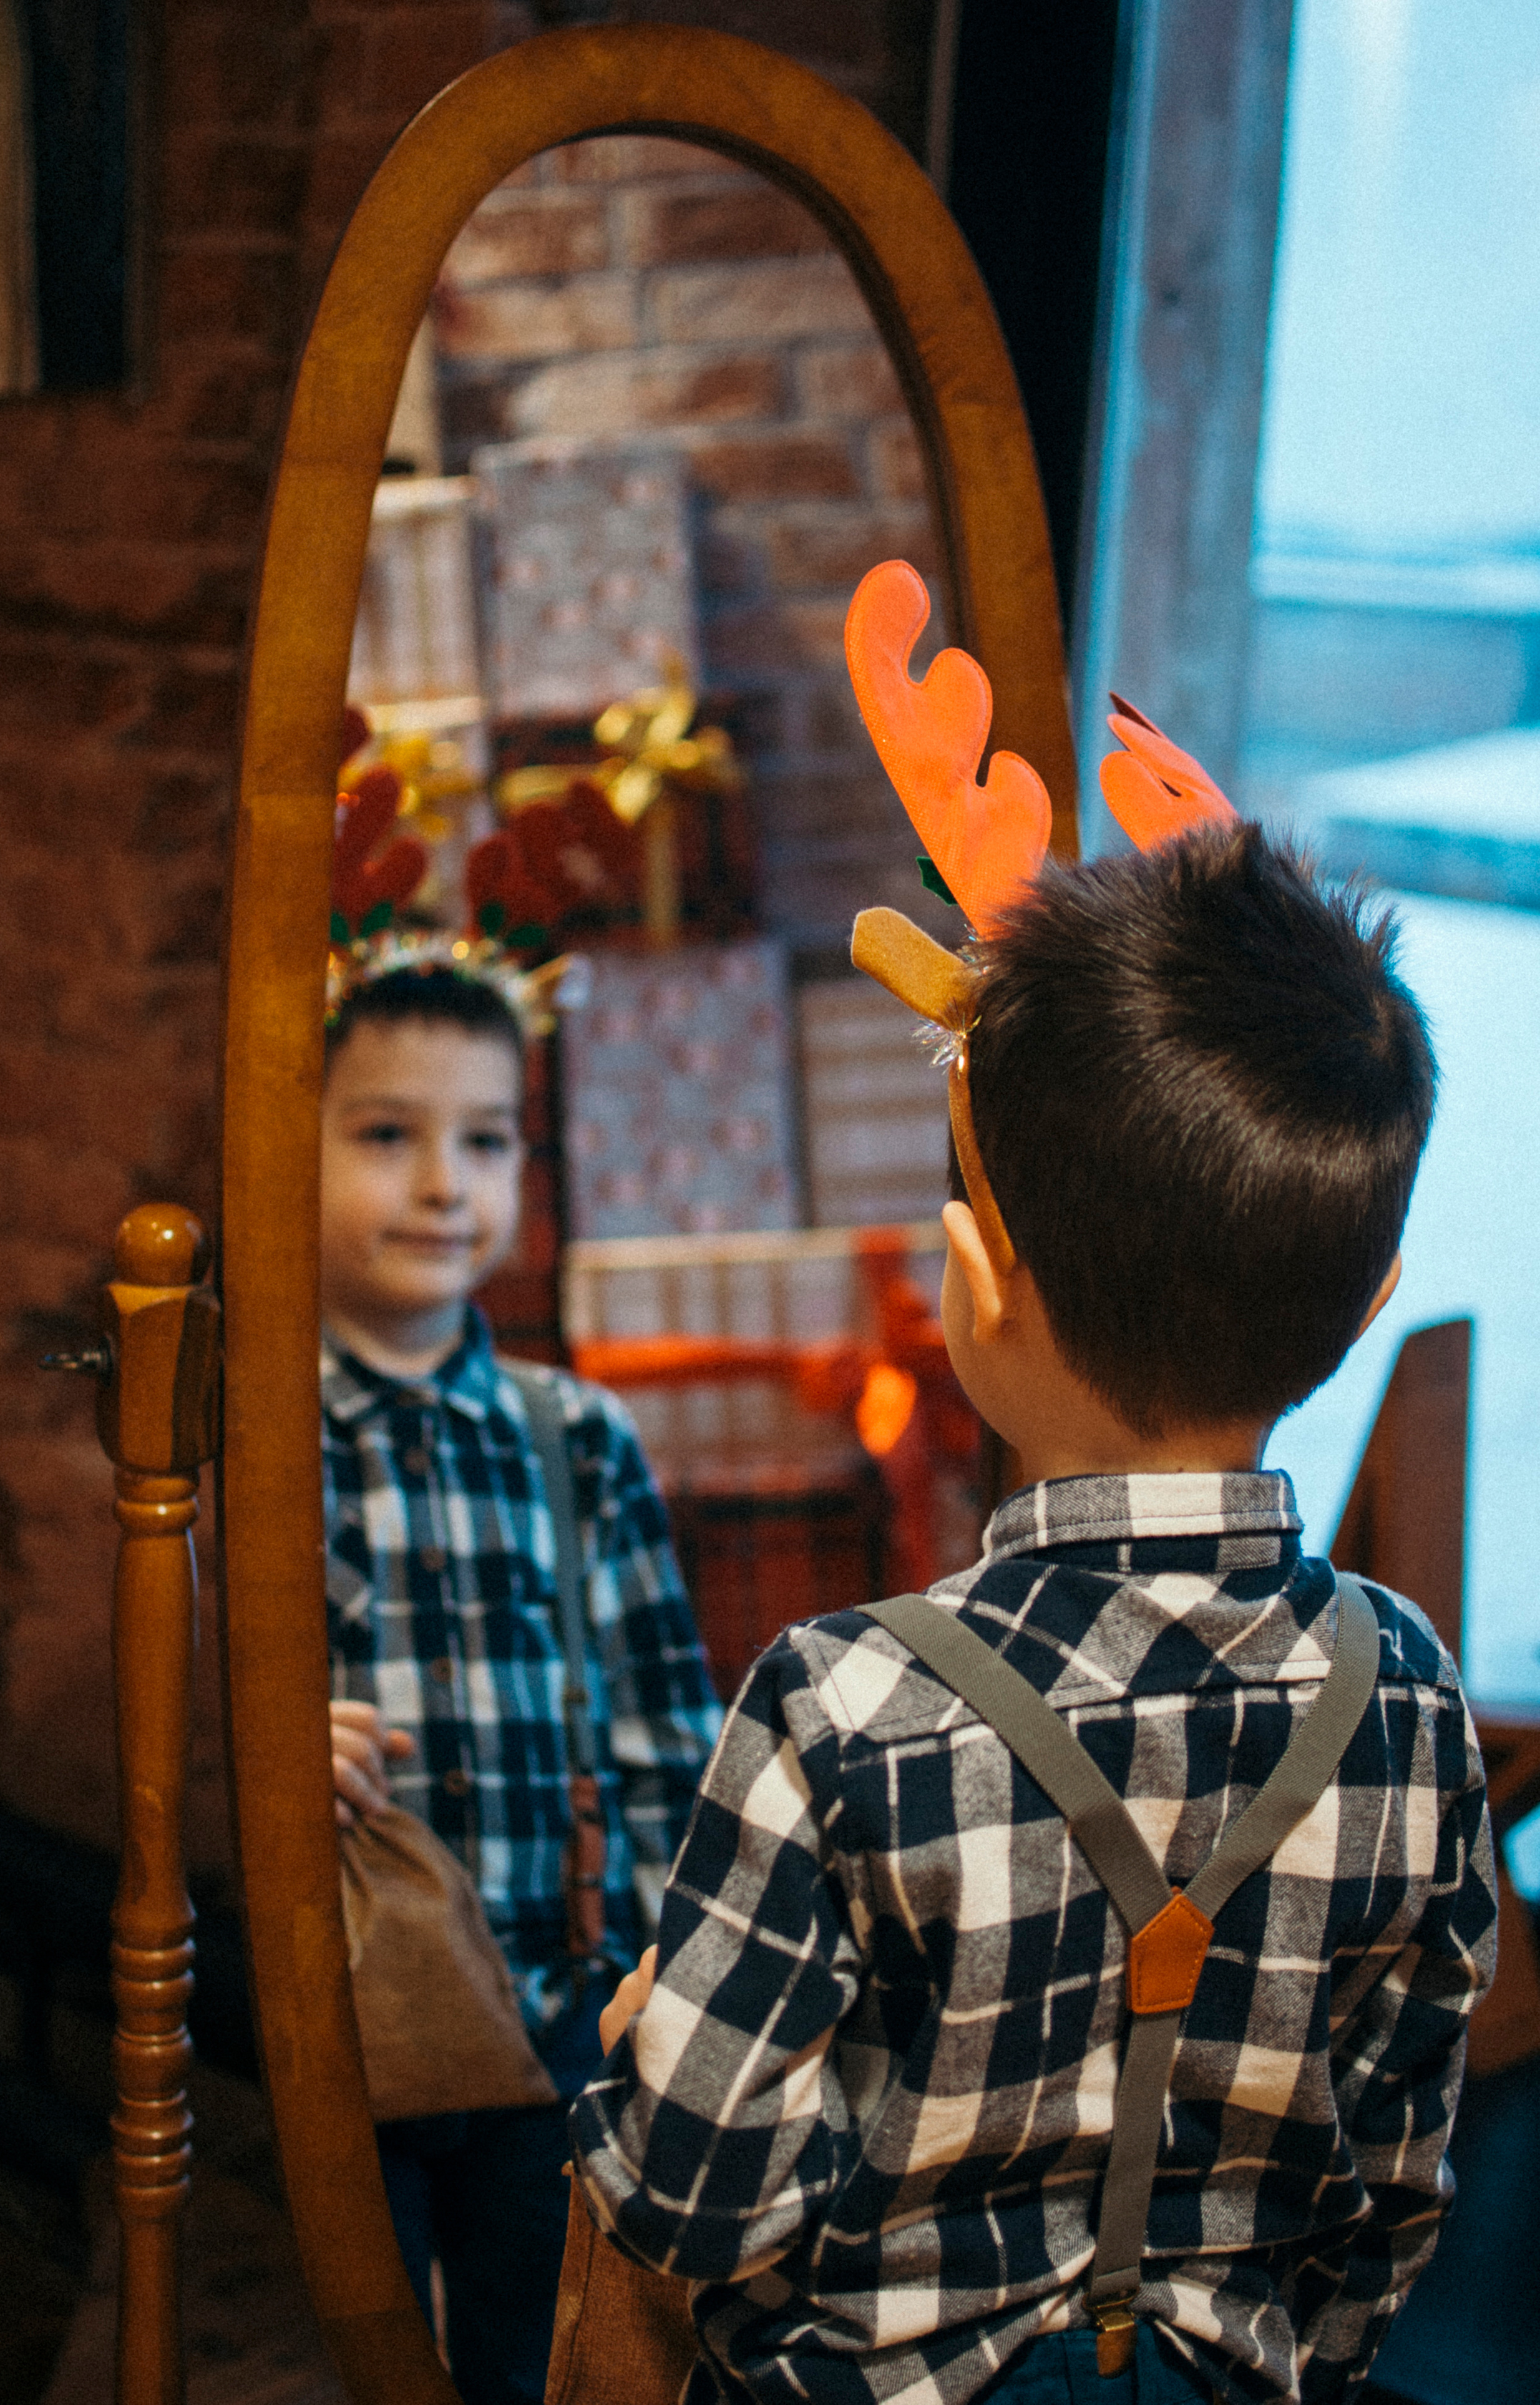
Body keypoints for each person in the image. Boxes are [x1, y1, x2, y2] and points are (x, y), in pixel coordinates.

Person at [570, 777, 1498, 2402]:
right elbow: (1398, 2162)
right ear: (1371, 1306)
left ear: (974, 1288)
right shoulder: (1409, 1691)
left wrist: (644, 2049)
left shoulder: (841, 1699)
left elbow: (694, 2197)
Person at [320, 952, 723, 2405]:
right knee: (358, 2340)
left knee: (525, 2347)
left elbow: (664, 1734)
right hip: (336, 2010)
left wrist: (652, 1979)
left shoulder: (577, 1436)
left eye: (484, 1139)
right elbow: (178, 1713)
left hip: (554, 2000)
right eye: (385, 1133)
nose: (443, 1183)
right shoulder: (264, 1445)